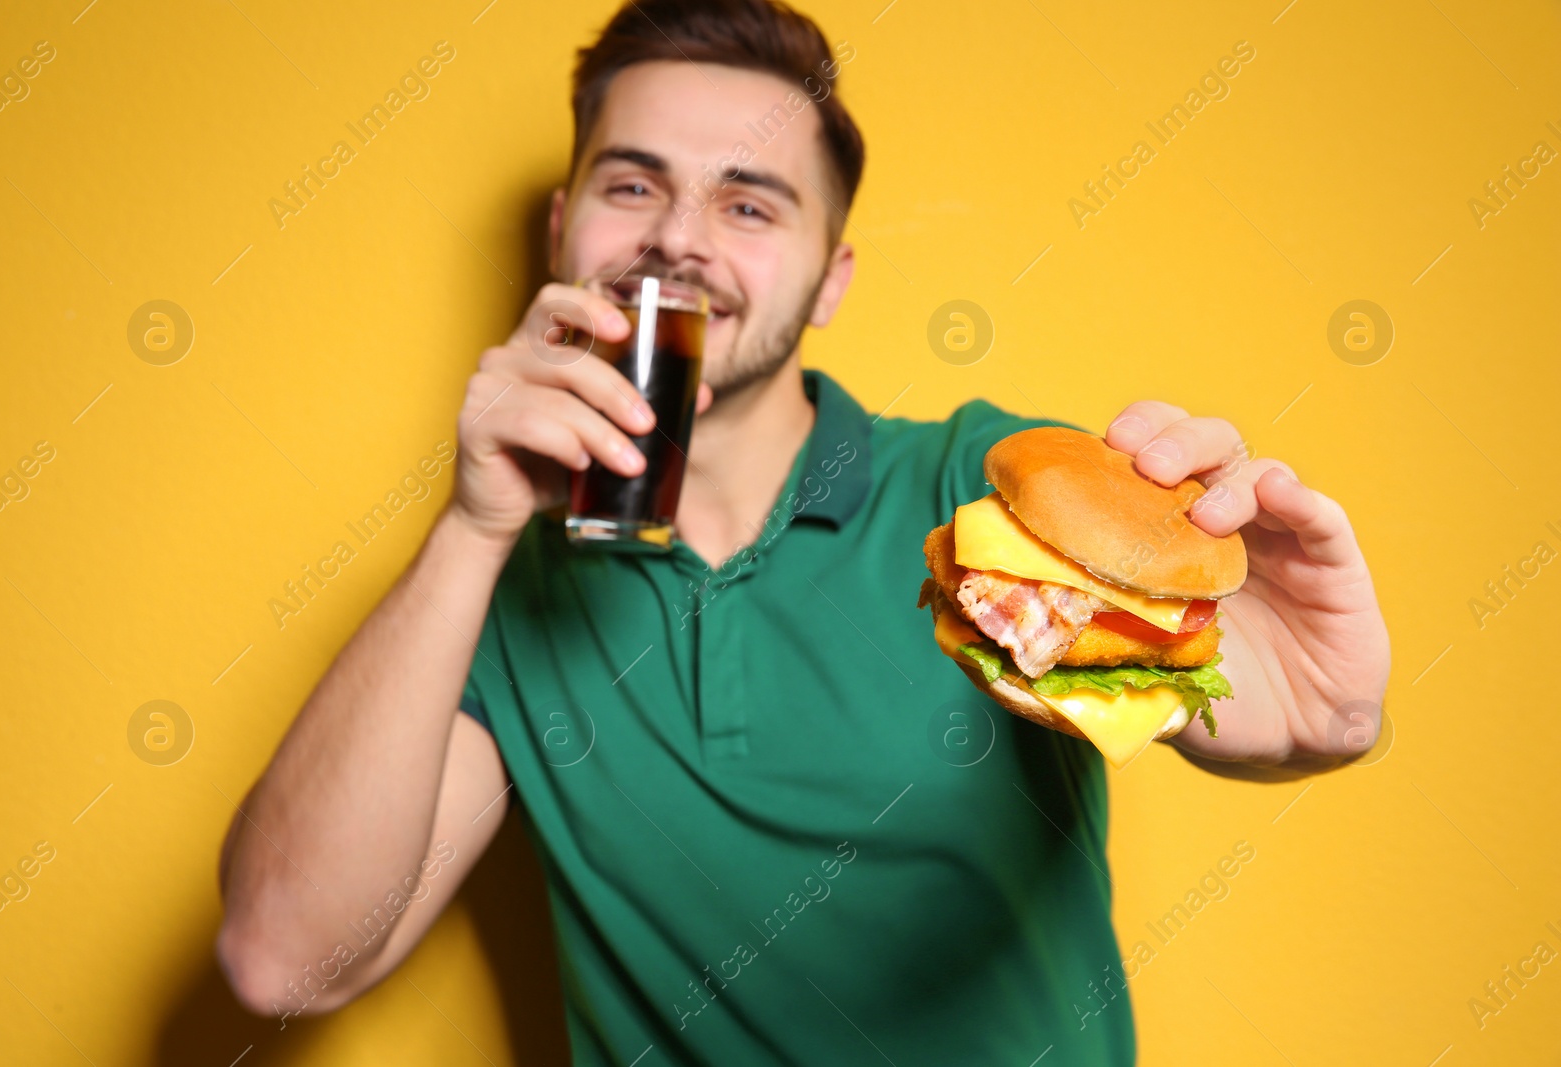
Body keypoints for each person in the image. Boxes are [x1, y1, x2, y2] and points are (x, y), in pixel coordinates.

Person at [214, 1, 1391, 1063]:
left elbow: (1227, 693)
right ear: (566, 227)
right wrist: (474, 529)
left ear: (830, 278)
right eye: (632, 186)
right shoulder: (499, 596)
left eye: (747, 202)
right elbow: (288, 959)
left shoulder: (979, 485)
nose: (677, 239)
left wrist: (1305, 705)